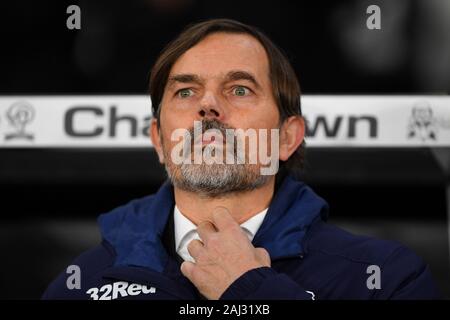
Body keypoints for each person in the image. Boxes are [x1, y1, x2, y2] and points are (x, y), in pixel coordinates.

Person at [43, 18, 440, 300]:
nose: (209, 106)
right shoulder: (81, 285)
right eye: (185, 92)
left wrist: (253, 290)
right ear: (158, 139)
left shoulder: (386, 278)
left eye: (239, 89)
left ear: (288, 137)